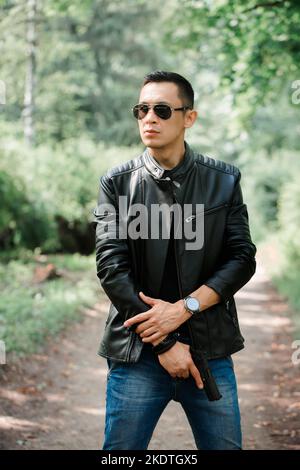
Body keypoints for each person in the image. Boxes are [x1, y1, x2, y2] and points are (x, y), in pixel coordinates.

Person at [92, 70, 256, 450]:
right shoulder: (116, 183)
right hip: (137, 353)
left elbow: (242, 258)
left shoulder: (224, 181)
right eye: (142, 109)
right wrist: (164, 342)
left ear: (189, 117)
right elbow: (111, 268)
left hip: (208, 351)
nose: (149, 118)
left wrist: (186, 308)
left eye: (162, 110)